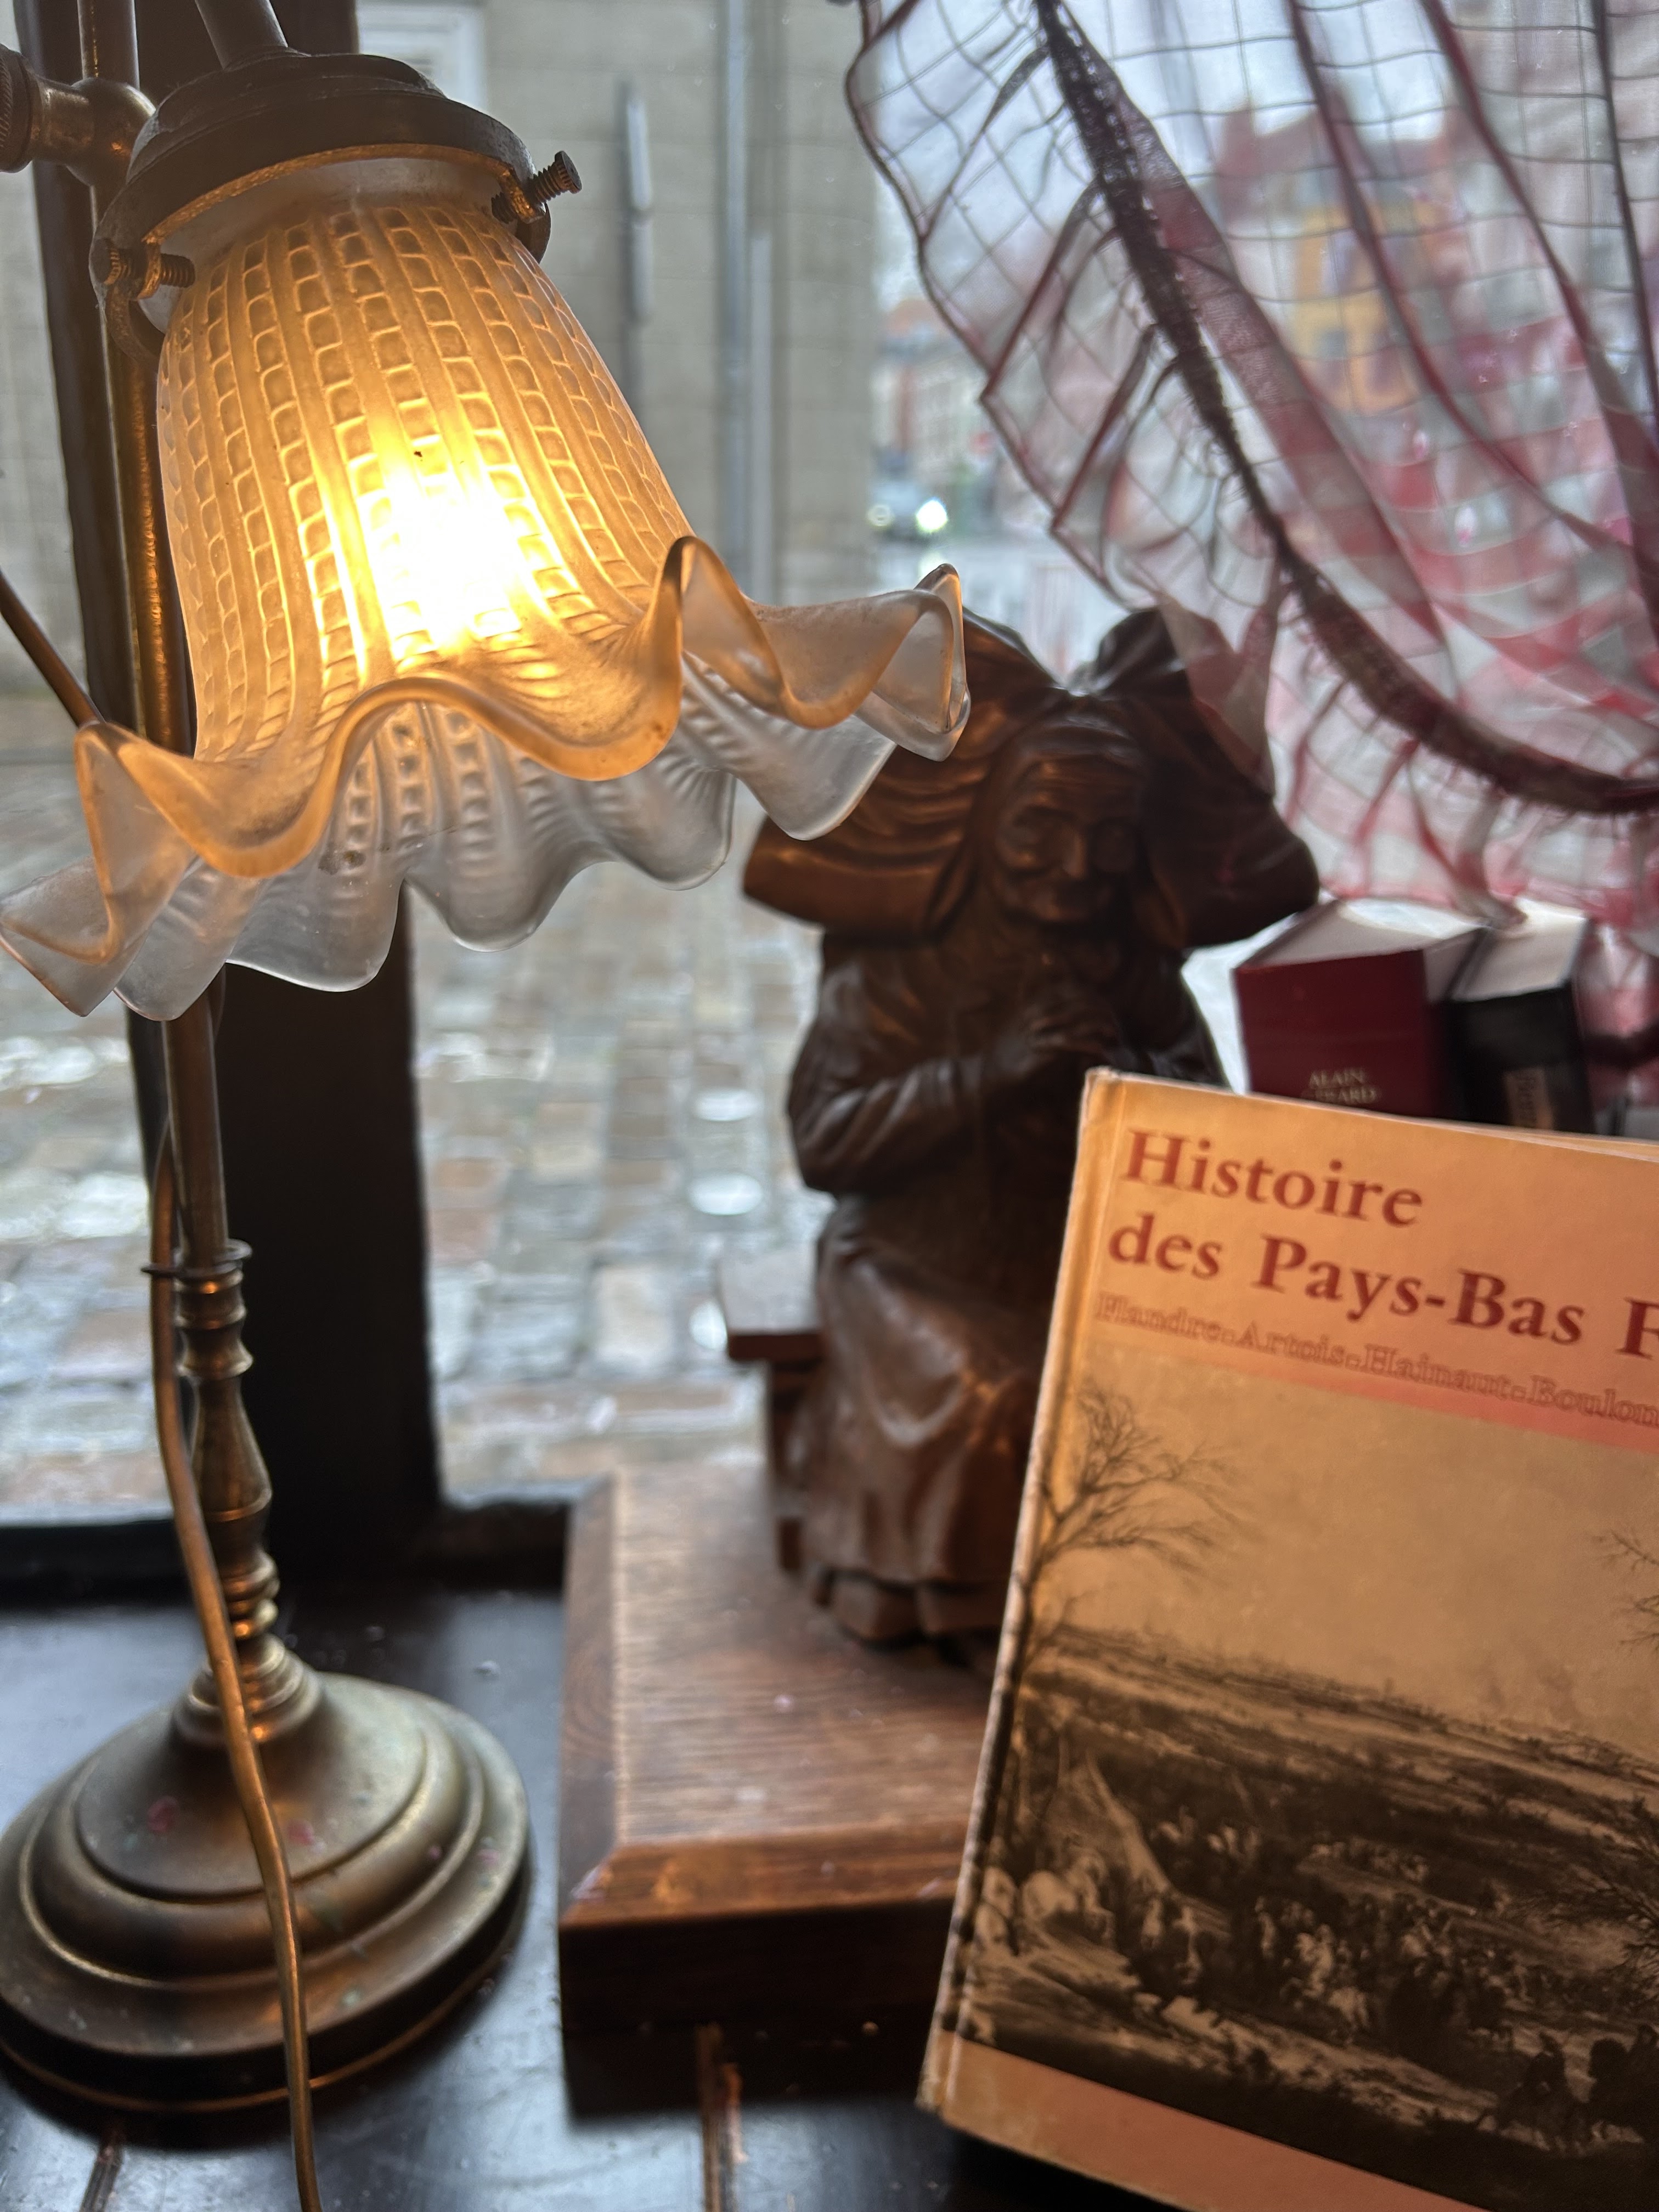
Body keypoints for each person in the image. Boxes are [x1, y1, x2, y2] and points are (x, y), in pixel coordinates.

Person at [745, 612, 1317, 1641]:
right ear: (984, 822)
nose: (1076, 865)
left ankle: (1128, 1616)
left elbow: (1216, 1129)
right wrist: (989, 1077)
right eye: (1041, 828)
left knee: (1188, 1391)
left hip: (1091, 1262)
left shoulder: (1127, 965)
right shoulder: (899, 969)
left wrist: (1130, 1076)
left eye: (1109, 838)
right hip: (917, 1261)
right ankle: (961, 1613)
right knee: (994, 1392)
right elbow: (827, 1142)